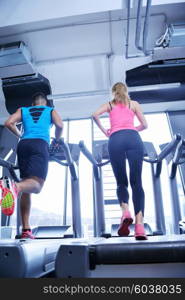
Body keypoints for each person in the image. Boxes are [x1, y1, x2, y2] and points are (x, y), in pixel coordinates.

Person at [1, 92, 63, 239]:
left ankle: (26, 229)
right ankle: (13, 187)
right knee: (36, 185)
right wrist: (57, 140)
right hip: (40, 144)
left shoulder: (23, 110)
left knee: (27, 186)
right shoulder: (50, 110)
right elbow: (59, 125)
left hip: (23, 145)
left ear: (33, 104)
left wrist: (20, 135)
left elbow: (8, 123)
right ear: (46, 103)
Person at [92, 82, 148, 240]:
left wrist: (106, 132)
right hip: (133, 139)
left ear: (113, 92)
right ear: (126, 91)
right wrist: (132, 129)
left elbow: (94, 115)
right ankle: (139, 227)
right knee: (137, 182)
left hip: (115, 139)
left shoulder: (109, 104)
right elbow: (145, 125)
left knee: (121, 182)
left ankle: (125, 212)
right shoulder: (134, 104)